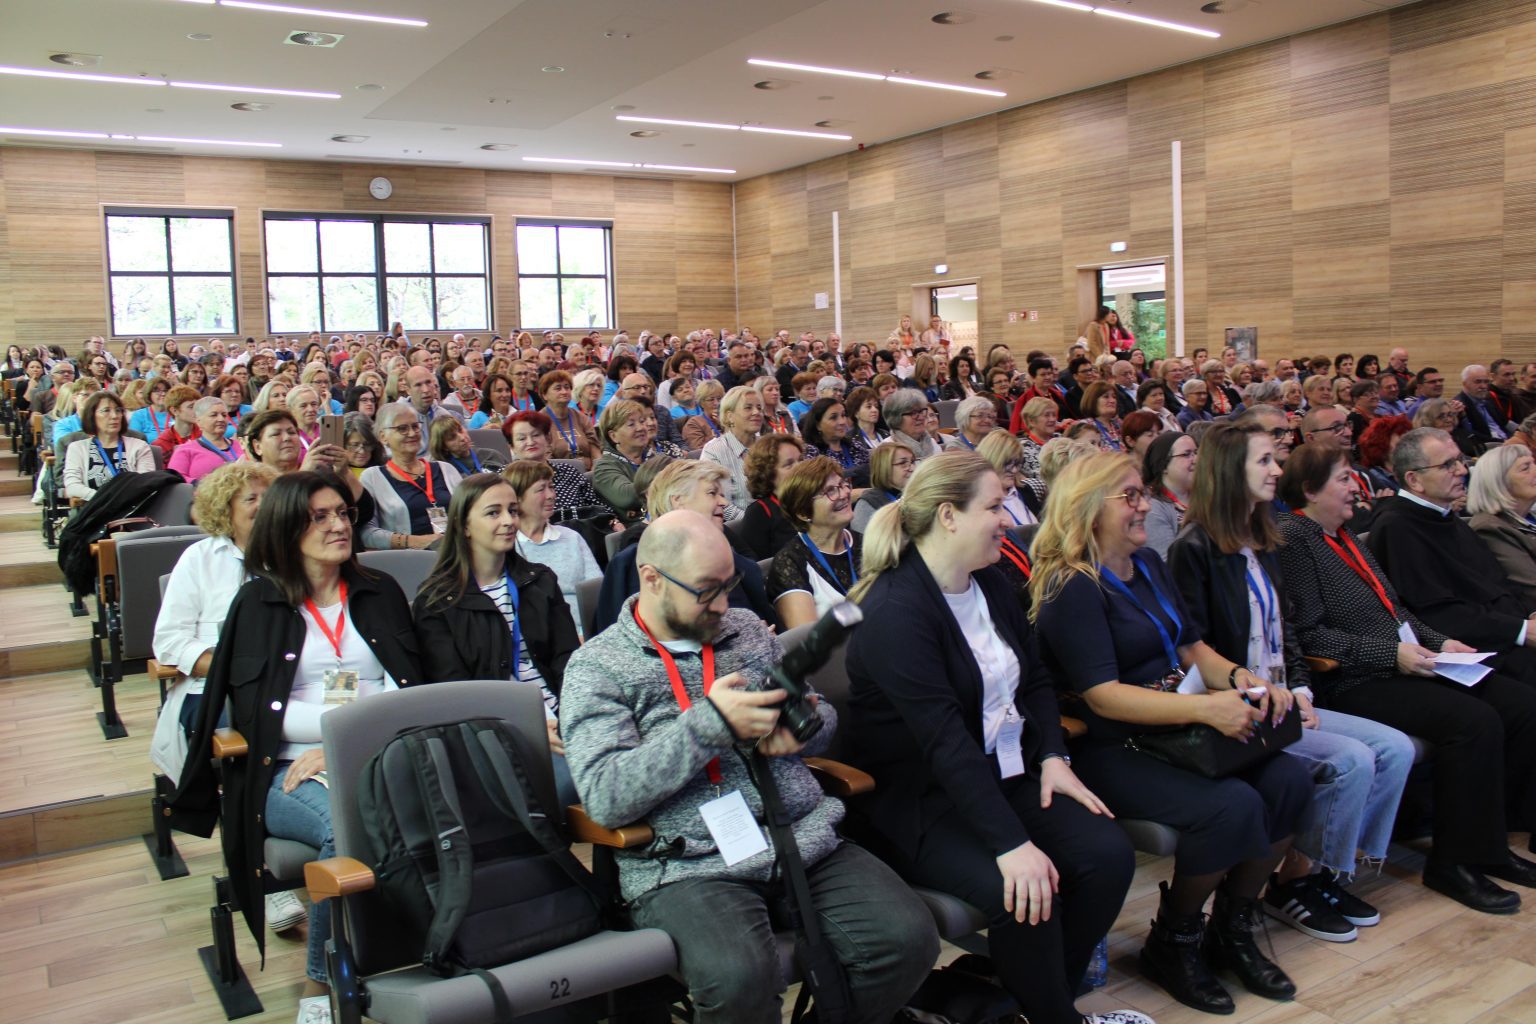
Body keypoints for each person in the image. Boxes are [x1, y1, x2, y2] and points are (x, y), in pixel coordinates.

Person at [562, 509, 938, 1024]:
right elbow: (606, 796)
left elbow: (820, 716)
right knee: (740, 980)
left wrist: (801, 730)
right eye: (706, 590)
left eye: (730, 585)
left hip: (798, 838)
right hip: (691, 865)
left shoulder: (745, 632)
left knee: (908, 941)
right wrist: (709, 725)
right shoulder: (598, 667)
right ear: (651, 578)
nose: (723, 604)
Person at [845, 449, 1144, 1024]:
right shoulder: (896, 611)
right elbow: (944, 744)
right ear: (948, 516)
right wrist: (1012, 846)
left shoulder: (992, 583)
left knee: (1107, 857)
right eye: (993, 507)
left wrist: (1053, 755)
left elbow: (1036, 680)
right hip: (924, 803)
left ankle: (1033, 1003)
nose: (1008, 519)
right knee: (1027, 891)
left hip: (1000, 773)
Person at [1033, 452, 1309, 1014]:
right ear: (1089, 507)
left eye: (1144, 493)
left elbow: (1190, 648)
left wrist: (1244, 680)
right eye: (1131, 497)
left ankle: (1232, 926)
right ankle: (1174, 939)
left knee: (1290, 781)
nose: (1146, 507)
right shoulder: (1072, 585)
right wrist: (1206, 711)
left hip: (1180, 725)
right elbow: (1102, 696)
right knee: (1231, 807)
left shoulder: (1148, 563)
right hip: (1113, 744)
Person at [169, 471, 418, 1024]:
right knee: (345, 828)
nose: (339, 526)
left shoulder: (379, 591)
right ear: (286, 528)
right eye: (319, 517)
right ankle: (322, 982)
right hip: (282, 769)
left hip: (379, 753)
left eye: (343, 514)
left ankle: (423, 946)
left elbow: (406, 688)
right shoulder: (257, 604)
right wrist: (340, 738)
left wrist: (344, 744)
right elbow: (259, 714)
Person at [1167, 423, 1413, 943]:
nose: (1277, 469)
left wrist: (1301, 690)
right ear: (1228, 470)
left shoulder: (1263, 540)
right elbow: (1193, 650)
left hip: (1286, 698)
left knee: (1395, 748)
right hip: (1243, 707)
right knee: (1351, 759)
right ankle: (1294, 882)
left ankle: (1326, 872)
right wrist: (1264, 694)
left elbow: (1288, 633)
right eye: (1263, 461)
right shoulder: (1194, 548)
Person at [1277, 441, 1536, 913]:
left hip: (1402, 661)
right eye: (1343, 479)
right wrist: (1392, 654)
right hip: (1352, 679)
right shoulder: (1296, 538)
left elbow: (1396, 612)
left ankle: (1490, 844)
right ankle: (1452, 862)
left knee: (1517, 704)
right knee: (1472, 721)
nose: (1356, 488)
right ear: (1311, 490)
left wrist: (1441, 642)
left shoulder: (1344, 535)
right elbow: (1308, 635)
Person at [412, 473, 580, 798]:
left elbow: (568, 661)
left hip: (562, 714)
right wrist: (526, 725)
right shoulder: (437, 602)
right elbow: (456, 693)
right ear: (464, 526)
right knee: (574, 787)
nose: (508, 521)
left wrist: (573, 717)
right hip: (496, 729)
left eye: (513, 510)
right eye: (493, 512)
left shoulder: (539, 581)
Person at [1365, 428, 1536, 681]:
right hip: (1471, 652)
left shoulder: (1445, 517)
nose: (1462, 470)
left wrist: (1530, 615)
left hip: (1506, 634)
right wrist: (1521, 630)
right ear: (1414, 480)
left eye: (1460, 460)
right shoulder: (1397, 528)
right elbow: (1437, 612)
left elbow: (1497, 582)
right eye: (1447, 465)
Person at [151, 462, 280, 782]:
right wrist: (235, 671)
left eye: (269, 497)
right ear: (226, 510)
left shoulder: (294, 557)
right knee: (267, 730)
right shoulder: (199, 559)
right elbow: (168, 641)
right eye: (251, 499)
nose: (263, 505)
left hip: (288, 683)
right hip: (215, 690)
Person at [592, 461, 774, 633]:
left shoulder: (720, 546)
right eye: (712, 493)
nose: (724, 503)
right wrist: (746, 634)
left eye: (723, 495)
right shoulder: (642, 563)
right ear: (678, 500)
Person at [500, 461, 602, 638]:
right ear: (517, 498)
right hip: (539, 639)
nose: (551, 495)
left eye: (551, 487)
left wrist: (585, 635)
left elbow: (597, 594)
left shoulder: (571, 537)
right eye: (541, 489)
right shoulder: (506, 546)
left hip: (587, 633)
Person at [767, 457, 861, 629]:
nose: (844, 493)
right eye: (830, 491)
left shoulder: (867, 543)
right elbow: (809, 637)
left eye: (843, 484)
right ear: (803, 512)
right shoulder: (789, 563)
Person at [359, 403, 464, 551]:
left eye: (415, 426)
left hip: (455, 552)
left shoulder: (446, 469)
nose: (412, 433)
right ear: (383, 437)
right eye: (402, 428)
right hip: (410, 559)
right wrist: (415, 541)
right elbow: (367, 533)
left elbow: (469, 513)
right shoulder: (372, 477)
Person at [502, 410, 612, 522]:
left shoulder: (568, 471)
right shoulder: (504, 478)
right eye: (522, 438)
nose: (530, 442)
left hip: (581, 530)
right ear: (511, 446)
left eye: (536, 435)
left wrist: (613, 522)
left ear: (548, 439)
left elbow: (599, 508)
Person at [1469, 445, 1536, 608]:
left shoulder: (1528, 517)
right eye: (1525, 468)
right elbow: (1531, 588)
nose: (1535, 470)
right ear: (1500, 483)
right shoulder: (1490, 528)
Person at [62, 391, 155, 501]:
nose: (114, 416)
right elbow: (72, 486)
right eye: (106, 410)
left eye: (118, 410)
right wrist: (103, 499)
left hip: (132, 508)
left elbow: (145, 484)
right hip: (95, 507)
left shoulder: (139, 447)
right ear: (92, 416)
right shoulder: (77, 448)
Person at [737, 433, 807, 558]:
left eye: (801, 460)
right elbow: (759, 565)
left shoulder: (815, 500)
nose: (801, 468)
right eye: (789, 464)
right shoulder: (759, 513)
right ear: (768, 474)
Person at [700, 386, 767, 512]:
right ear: (729, 416)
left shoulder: (768, 446)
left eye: (759, 408)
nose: (756, 412)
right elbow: (719, 502)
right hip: (740, 522)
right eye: (748, 408)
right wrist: (753, 520)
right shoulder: (714, 451)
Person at [592, 398, 657, 523]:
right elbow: (628, 497)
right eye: (631, 424)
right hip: (637, 529)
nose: (641, 428)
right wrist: (666, 481)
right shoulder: (604, 468)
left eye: (642, 421)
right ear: (613, 436)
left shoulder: (652, 457)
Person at [1141, 431, 1197, 558]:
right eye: (1186, 454)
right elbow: (1169, 563)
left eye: (1196, 452)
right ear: (1164, 466)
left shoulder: (1204, 495)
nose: (1196, 459)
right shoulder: (1153, 509)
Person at [166, 396, 242, 484]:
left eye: (224, 415)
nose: (221, 419)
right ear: (198, 421)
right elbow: (175, 478)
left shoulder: (241, 446)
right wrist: (200, 485)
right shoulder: (185, 450)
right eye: (214, 415)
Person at [851, 442, 916, 535]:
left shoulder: (918, 494)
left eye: (912, 462)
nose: (912, 468)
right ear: (884, 468)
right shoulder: (868, 504)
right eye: (903, 463)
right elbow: (863, 542)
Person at [539, 369, 601, 467]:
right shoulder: (539, 422)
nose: (564, 392)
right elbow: (545, 458)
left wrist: (597, 469)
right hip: (558, 472)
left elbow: (594, 447)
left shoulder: (581, 417)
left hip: (589, 471)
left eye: (567, 387)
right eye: (558, 388)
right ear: (545, 395)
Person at [680, 379, 726, 450]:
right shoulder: (694, 424)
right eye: (711, 399)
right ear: (701, 403)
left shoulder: (729, 419)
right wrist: (715, 436)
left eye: (719, 399)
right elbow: (698, 450)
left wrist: (724, 425)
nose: (716, 403)